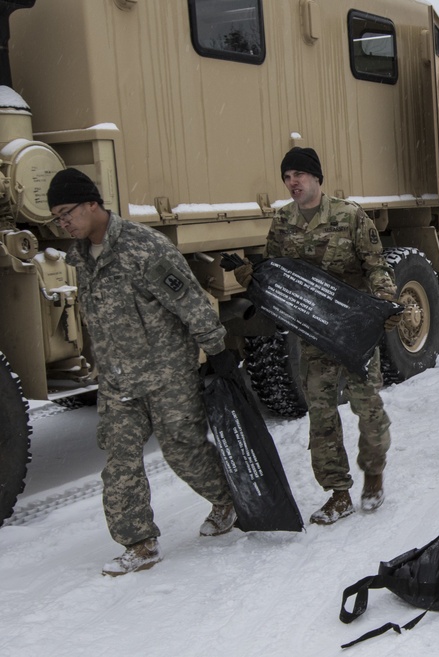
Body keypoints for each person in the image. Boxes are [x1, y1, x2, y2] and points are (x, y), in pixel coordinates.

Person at [47, 168, 237, 577]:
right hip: (117, 378)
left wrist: (216, 349)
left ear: (92, 204)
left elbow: (189, 300)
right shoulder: (79, 255)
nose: (63, 223)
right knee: (120, 460)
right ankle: (140, 543)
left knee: (183, 450)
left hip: (167, 370)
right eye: (57, 217)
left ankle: (227, 501)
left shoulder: (144, 247)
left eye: (67, 213)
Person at [230, 147, 398, 524]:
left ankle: (374, 473)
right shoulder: (283, 220)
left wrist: (384, 300)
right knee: (321, 416)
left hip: (353, 332)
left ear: (317, 178)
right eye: (287, 176)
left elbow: (376, 265)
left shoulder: (350, 216)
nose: (292, 182)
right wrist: (252, 278)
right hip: (315, 334)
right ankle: (338, 493)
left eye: (299, 175)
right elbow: (276, 273)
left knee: (367, 408)